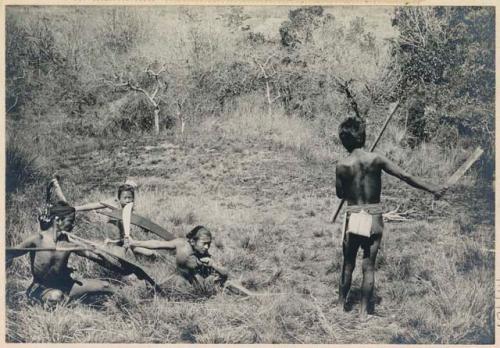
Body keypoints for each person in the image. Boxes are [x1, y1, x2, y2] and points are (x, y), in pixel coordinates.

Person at [335, 116, 447, 319]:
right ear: (363, 137)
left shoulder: (342, 166)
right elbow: (405, 176)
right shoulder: (376, 159)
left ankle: (340, 306)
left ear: (344, 141)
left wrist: (351, 187)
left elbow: (340, 194)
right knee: (368, 267)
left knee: (348, 263)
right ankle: (363, 313)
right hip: (374, 216)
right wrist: (433, 188)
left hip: (352, 215)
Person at [7, 201, 117, 307]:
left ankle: (125, 300)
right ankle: (64, 301)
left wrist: (99, 253)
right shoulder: (38, 239)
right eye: (71, 221)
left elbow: (95, 257)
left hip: (64, 285)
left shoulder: (69, 243)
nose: (73, 225)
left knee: (105, 286)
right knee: (56, 296)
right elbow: (10, 254)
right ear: (58, 220)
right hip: (40, 289)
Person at [128, 226, 254, 297]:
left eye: (209, 244)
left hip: (201, 287)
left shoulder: (205, 254)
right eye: (204, 243)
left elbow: (225, 272)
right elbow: (158, 244)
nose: (207, 247)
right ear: (193, 241)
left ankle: (251, 295)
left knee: (226, 282)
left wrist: (213, 265)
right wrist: (135, 242)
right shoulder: (181, 244)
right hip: (178, 280)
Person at [74, 181, 157, 258]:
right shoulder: (114, 203)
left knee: (149, 254)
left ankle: (152, 255)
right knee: (118, 257)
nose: (128, 200)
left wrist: (144, 230)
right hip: (113, 242)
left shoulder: (131, 207)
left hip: (125, 239)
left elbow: (139, 222)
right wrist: (76, 208)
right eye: (125, 198)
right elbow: (95, 205)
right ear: (119, 198)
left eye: (130, 198)